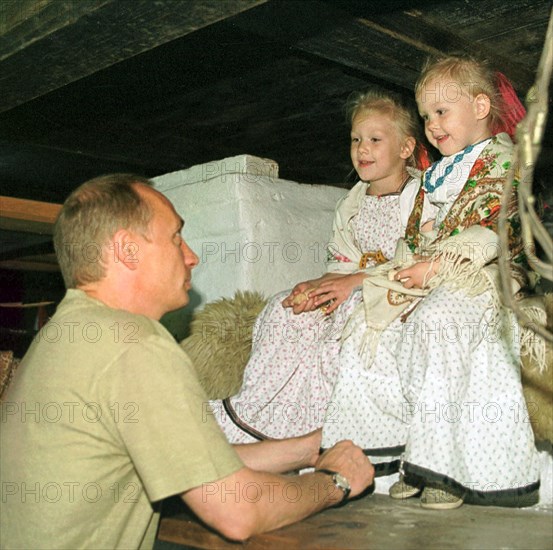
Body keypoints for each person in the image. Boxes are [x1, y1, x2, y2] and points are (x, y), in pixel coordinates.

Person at [0, 174, 374, 550]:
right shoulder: (134, 344)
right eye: (175, 238)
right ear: (127, 249)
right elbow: (237, 511)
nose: (191, 256)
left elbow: (191, 460)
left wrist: (307, 448)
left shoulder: (67, 334)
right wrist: (334, 481)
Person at [321, 54, 541, 510]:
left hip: (483, 275)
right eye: (425, 116)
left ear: (481, 107)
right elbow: (414, 238)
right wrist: (398, 275)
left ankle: (446, 470)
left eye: (442, 112)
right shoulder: (434, 176)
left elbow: (497, 227)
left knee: (439, 320)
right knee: (369, 324)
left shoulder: (505, 158)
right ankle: (384, 452)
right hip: (431, 273)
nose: (433, 125)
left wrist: (437, 267)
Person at [208, 89, 431, 443]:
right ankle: (255, 414)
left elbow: (420, 259)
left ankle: (318, 429)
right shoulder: (351, 203)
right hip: (351, 287)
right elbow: (340, 262)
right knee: (285, 310)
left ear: (405, 148)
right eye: (356, 139)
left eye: (375, 139)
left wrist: (353, 284)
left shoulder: (422, 196)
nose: (362, 148)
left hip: (397, 290)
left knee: (345, 323)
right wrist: (315, 287)